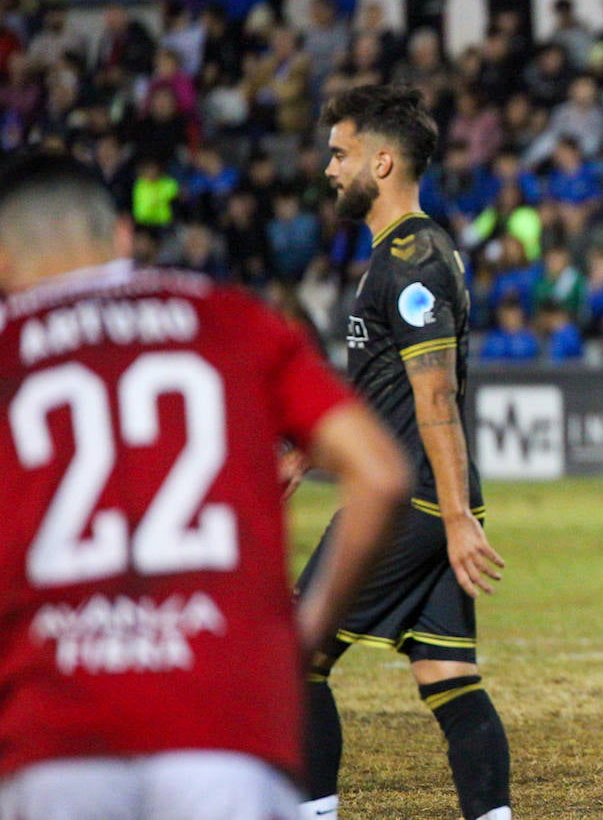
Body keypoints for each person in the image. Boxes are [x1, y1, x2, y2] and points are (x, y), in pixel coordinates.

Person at [0, 153, 408, 818]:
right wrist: (306, 633)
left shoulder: (10, 349)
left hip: (55, 729)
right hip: (225, 717)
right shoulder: (231, 319)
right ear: (124, 236)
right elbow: (381, 473)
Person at [296, 85, 512, 820]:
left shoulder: (412, 260)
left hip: (407, 502)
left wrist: (454, 517)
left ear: (381, 162)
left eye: (340, 153)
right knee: (449, 678)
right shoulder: (401, 253)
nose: (329, 168)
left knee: (295, 659)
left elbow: (434, 398)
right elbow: (388, 392)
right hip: (427, 498)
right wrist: (313, 449)